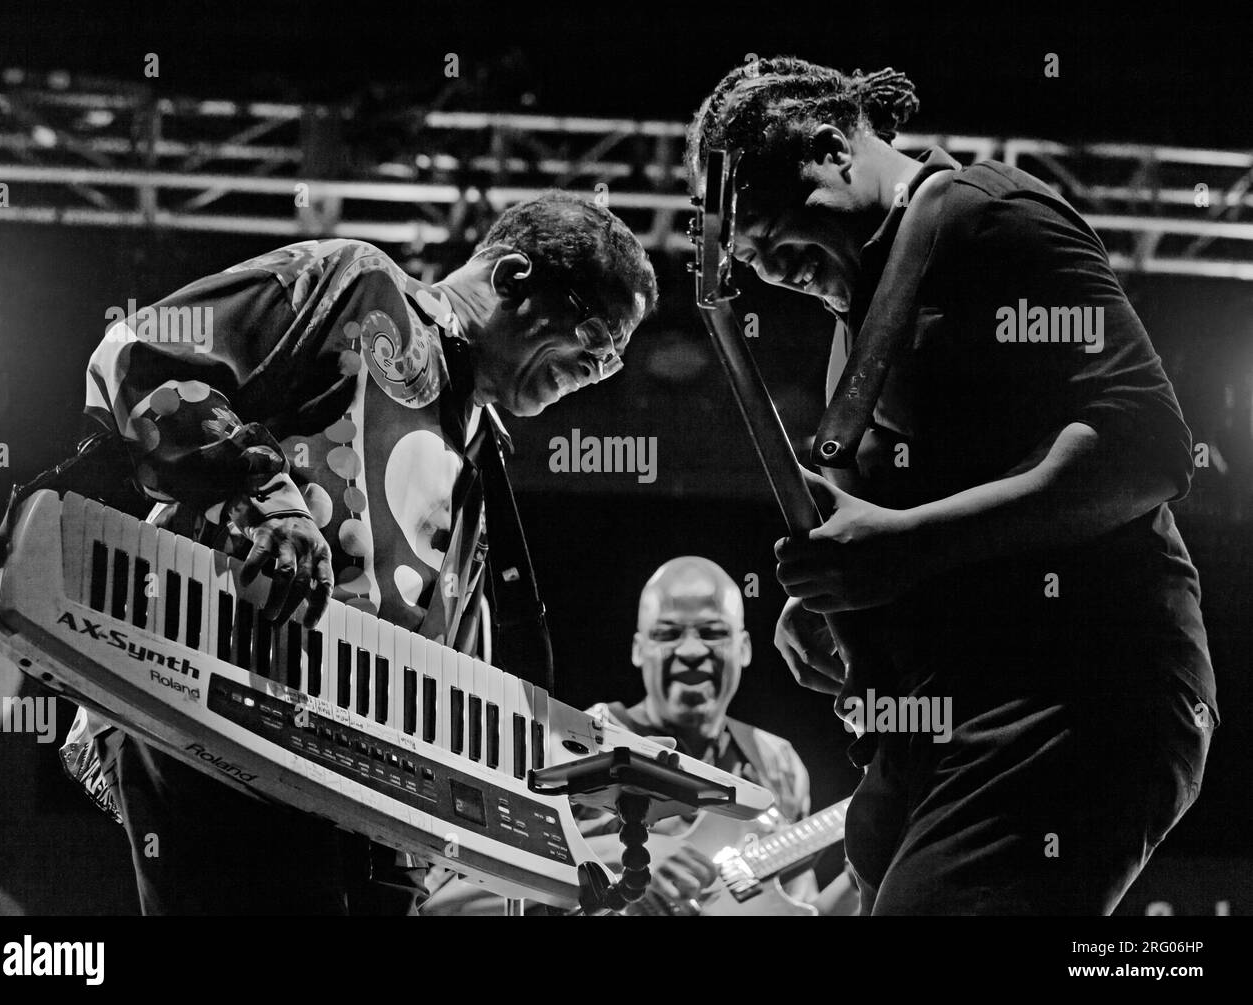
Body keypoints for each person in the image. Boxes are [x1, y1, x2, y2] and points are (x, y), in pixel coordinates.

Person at [686, 57, 1216, 914]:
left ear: (832, 148)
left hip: (1073, 692)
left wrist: (906, 547)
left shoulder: (987, 217)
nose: (776, 271)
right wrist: (842, 602)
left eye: (777, 234)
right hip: (950, 720)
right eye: (753, 260)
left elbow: (1147, 445)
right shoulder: (858, 316)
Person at [66, 191, 657, 914]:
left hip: (369, 789)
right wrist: (262, 494)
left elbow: (454, 669)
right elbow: (135, 352)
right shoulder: (360, 284)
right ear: (512, 278)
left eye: (610, 365)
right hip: (224, 702)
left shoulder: (483, 448)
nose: (596, 368)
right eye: (593, 336)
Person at [423, 556, 858, 915]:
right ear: (637, 649)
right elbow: (448, 902)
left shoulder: (777, 763)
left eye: (712, 632)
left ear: (744, 648)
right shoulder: (572, 746)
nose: (691, 651)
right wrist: (614, 862)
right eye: (668, 634)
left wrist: (865, 871)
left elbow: (797, 908)